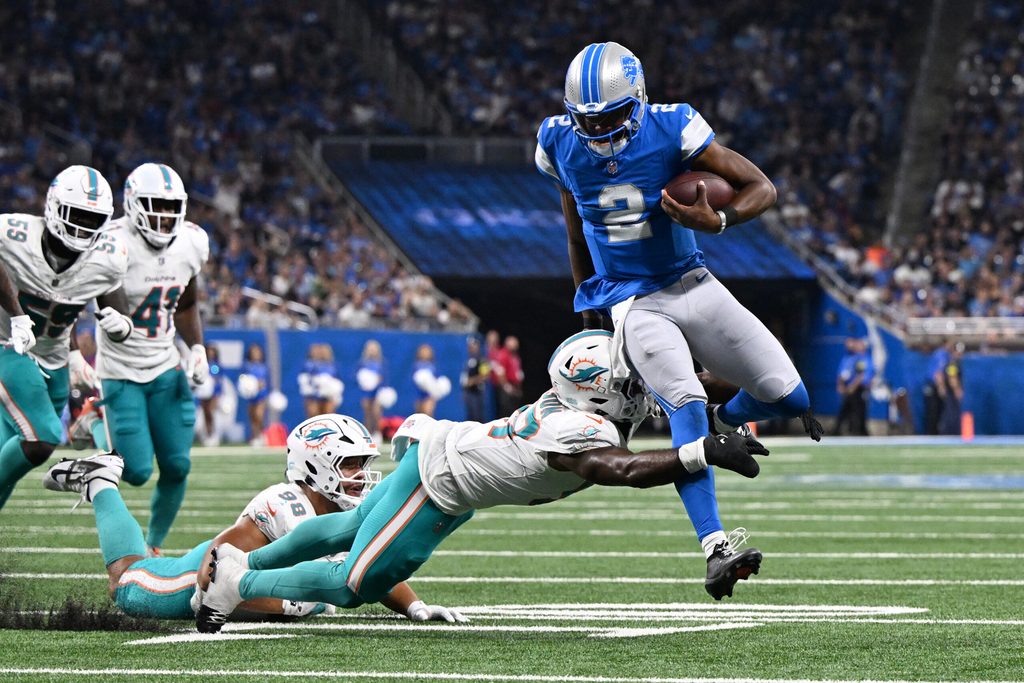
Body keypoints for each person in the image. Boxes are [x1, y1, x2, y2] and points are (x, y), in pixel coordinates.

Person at [194, 331, 770, 633]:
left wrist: (768, 380)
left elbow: (687, 381)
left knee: (346, 525)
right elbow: (615, 470)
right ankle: (235, 586)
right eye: (624, 379)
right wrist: (704, 451)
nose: (638, 386)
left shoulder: (589, 404)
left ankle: (243, 563)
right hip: (440, 483)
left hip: (445, 458)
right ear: (596, 390)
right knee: (355, 584)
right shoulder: (579, 427)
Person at [534, 42, 822, 564]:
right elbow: (575, 232)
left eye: (611, 119)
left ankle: (725, 416)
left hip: (691, 281)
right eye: (588, 121)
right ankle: (714, 544)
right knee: (682, 402)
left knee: (790, 397)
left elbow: (761, 187)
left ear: (638, 100)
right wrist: (589, 306)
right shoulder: (557, 142)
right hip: (632, 299)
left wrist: (719, 222)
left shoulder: (674, 127)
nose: (598, 132)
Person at [41, 413, 464, 623]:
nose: (361, 475)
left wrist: (416, 607)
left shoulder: (348, 510)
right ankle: (101, 482)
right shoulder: (282, 502)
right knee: (125, 583)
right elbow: (216, 562)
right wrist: (286, 603)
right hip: (186, 583)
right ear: (314, 464)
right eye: (351, 464)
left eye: (362, 462)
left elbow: (369, 562)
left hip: (233, 583)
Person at [77, 163, 210, 556]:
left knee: (178, 465)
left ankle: (153, 546)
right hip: (120, 370)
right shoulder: (112, 241)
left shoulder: (191, 242)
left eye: (172, 208)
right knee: (134, 472)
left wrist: (197, 348)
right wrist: (114, 321)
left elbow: (185, 302)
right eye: (156, 206)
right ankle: (95, 418)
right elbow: (110, 302)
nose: (165, 217)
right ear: (133, 206)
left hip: (166, 365)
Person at [0, 165, 134, 510]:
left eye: (93, 218)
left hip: (55, 356)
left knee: (10, 451)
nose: (83, 226)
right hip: (6, 343)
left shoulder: (107, 257)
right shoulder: (14, 233)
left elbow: (105, 300)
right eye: (76, 214)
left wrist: (122, 325)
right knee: (42, 437)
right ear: (54, 207)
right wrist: (16, 314)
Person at [833, 337, 873, 436]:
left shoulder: (861, 359)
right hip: (850, 388)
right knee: (848, 409)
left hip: (858, 389)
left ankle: (860, 431)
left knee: (858, 410)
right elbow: (842, 374)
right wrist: (841, 385)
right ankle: (843, 430)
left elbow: (861, 374)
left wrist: (852, 387)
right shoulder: (850, 358)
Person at [238, 343, 271, 446]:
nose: (256, 354)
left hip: (262, 395)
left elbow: (267, 381)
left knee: (259, 415)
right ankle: (255, 436)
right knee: (252, 416)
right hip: (251, 395)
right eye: (254, 352)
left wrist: (263, 385)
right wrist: (247, 386)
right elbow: (242, 378)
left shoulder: (264, 366)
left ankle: (262, 434)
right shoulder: (246, 366)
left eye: (258, 352)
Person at [298, 344, 343, 418]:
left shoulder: (333, 365)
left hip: (329, 395)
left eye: (324, 352)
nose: (321, 354)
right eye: (318, 352)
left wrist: (334, 392)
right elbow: (304, 379)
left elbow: (338, 381)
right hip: (313, 395)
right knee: (314, 415)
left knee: (328, 415)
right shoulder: (308, 365)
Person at [355, 340, 387, 442]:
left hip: (378, 391)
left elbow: (385, 376)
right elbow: (358, 376)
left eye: (374, 349)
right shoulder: (362, 362)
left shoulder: (381, 362)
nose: (372, 351)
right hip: (366, 392)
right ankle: (367, 434)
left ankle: (377, 433)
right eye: (370, 349)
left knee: (376, 412)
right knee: (367, 413)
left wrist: (379, 380)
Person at [411, 343, 451, 417]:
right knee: (418, 416)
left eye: (427, 351)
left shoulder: (433, 366)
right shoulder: (416, 365)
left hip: (429, 395)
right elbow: (415, 379)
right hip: (419, 394)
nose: (425, 353)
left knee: (428, 415)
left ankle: (431, 428)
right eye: (423, 351)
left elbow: (437, 379)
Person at [460, 336, 489, 422]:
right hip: (469, 393)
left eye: (473, 345)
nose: (470, 347)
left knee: (477, 418)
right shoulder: (468, 359)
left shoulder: (482, 359)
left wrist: (471, 381)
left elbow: (485, 375)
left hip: (477, 393)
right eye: (469, 345)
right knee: (470, 418)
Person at [938, 343, 964, 436]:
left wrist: (941, 387)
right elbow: (952, 378)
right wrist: (957, 390)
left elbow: (939, 375)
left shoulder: (949, 363)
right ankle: (950, 433)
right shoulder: (953, 364)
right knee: (952, 414)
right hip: (952, 393)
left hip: (949, 393)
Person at [495, 335, 524, 419]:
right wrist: (506, 386)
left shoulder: (515, 355)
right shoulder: (504, 354)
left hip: (515, 386)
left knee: (515, 410)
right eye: (514, 344)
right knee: (506, 411)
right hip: (507, 386)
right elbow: (500, 371)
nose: (516, 346)